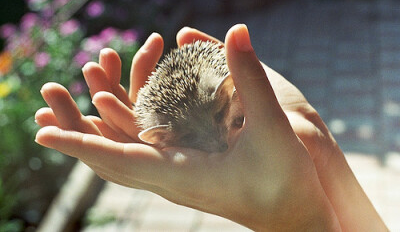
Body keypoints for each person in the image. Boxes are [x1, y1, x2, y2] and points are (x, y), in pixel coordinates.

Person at [35, 24, 388, 231]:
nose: (219, 144)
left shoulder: (228, 85)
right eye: (191, 137)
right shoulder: (208, 106)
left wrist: (295, 220)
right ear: (163, 136)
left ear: (230, 87)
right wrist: (317, 146)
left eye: (222, 117)